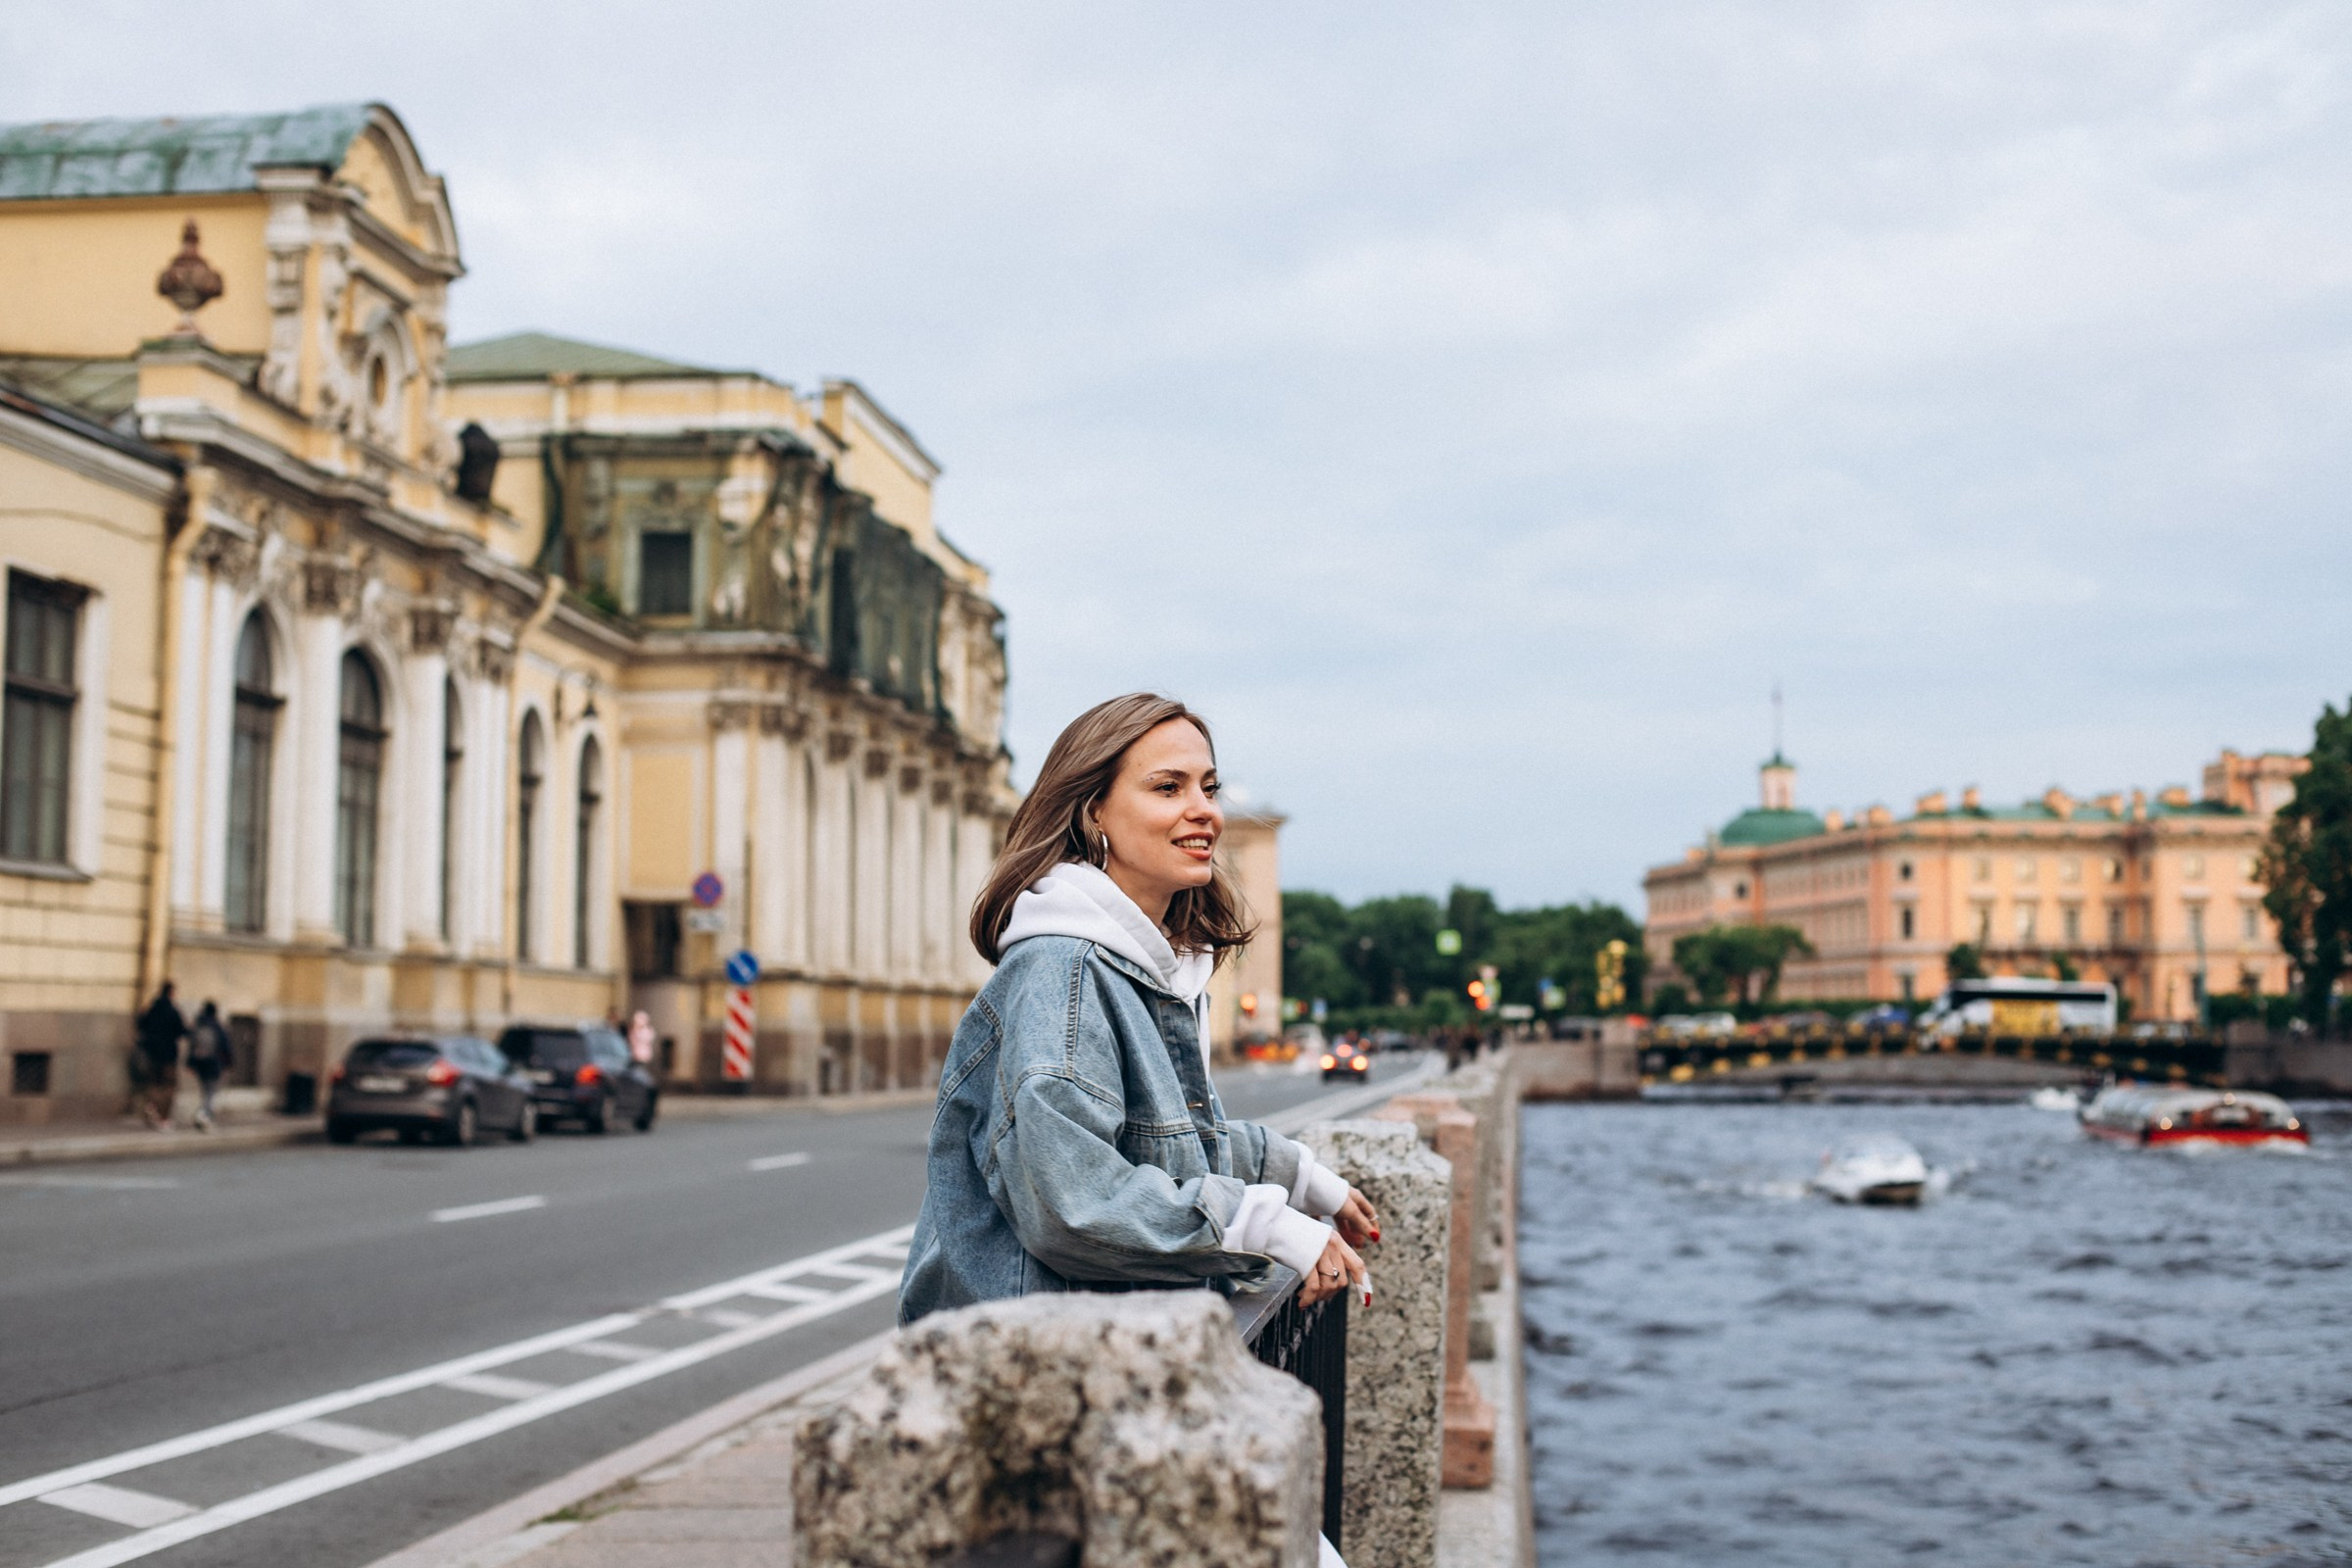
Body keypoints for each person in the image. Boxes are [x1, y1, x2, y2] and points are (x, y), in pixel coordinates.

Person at [900, 693, 1380, 1328]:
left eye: (1207, 787)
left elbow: (1157, 1143)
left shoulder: (1144, 968)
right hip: (1028, 1370)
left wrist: (1302, 1177)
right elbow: (1074, 1203)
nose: (1204, 810)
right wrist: (1269, 1227)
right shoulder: (1065, 967)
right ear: (1093, 810)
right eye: (1167, 787)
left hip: (1081, 1353)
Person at [133, 982, 187, 1130]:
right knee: (168, 1087)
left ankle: (151, 1106)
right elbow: (182, 1030)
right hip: (168, 1055)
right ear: (171, 992)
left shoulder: (151, 1009)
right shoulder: (172, 1010)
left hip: (152, 1054)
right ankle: (163, 1118)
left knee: (153, 1084)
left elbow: (141, 1025)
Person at [185, 1002, 229, 1130]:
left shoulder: (198, 1025)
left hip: (200, 1064)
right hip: (213, 1063)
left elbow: (192, 1046)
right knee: (210, 1092)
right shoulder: (217, 1026)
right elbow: (225, 1046)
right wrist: (228, 1064)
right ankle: (203, 1115)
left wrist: (190, 1063)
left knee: (205, 1090)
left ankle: (203, 1114)